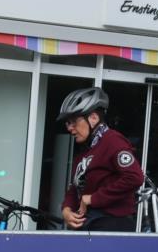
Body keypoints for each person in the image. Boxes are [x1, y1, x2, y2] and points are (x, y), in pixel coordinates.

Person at [57, 87, 144, 232]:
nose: (70, 128)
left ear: (93, 118)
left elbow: (134, 177)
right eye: (67, 123)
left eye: (73, 121)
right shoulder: (85, 150)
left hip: (111, 225)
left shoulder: (113, 141)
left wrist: (92, 199)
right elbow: (76, 186)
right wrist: (66, 210)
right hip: (89, 224)